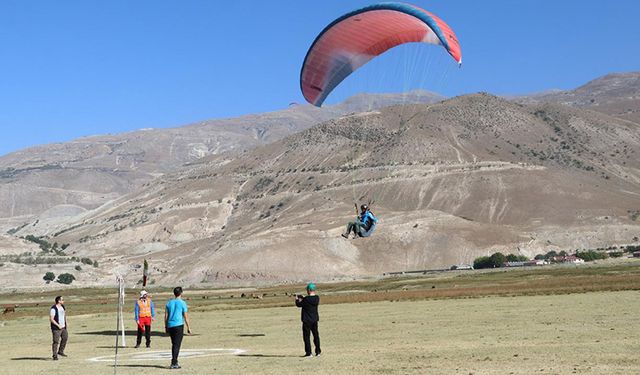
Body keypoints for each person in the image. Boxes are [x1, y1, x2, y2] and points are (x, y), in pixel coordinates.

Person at [165, 286, 192, 369]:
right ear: (181, 293)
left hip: (170, 325)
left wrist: (166, 326)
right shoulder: (182, 303)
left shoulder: (169, 303)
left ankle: (175, 361)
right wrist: (189, 327)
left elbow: (166, 316)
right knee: (177, 345)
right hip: (178, 325)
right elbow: (185, 316)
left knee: (174, 344)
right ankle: (174, 362)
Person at [295, 283, 321, 357]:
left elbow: (299, 305)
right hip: (314, 320)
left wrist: (297, 299)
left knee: (306, 337)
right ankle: (318, 351)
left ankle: (309, 353)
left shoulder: (306, 299)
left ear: (309, 290)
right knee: (316, 335)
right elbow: (308, 300)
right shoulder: (317, 298)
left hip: (307, 320)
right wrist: (303, 298)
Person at [49, 296, 68, 361]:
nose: (63, 301)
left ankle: (60, 351)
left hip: (63, 327)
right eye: (62, 300)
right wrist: (58, 325)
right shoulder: (53, 309)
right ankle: (54, 355)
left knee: (65, 338)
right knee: (56, 341)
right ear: (58, 301)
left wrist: (65, 324)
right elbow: (51, 319)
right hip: (56, 328)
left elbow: (64, 315)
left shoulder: (63, 307)